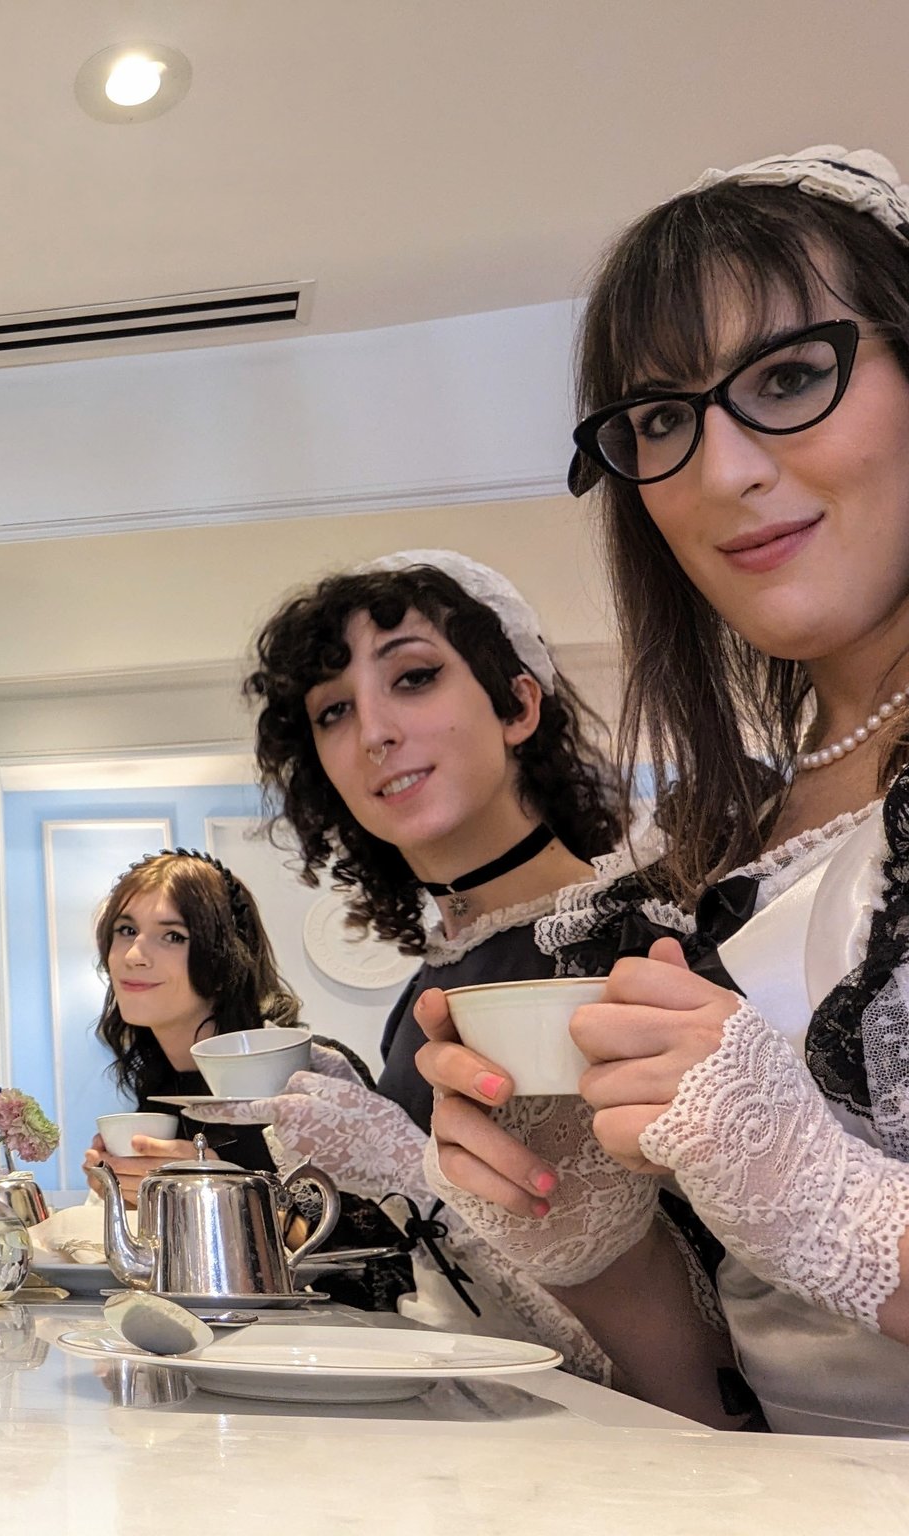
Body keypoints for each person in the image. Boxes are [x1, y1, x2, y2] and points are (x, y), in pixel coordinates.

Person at [419, 145, 909, 1436]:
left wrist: (837, 1207)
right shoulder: (709, 847)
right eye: (659, 421)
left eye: (789, 377)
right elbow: (714, 1399)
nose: (720, 471)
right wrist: (584, 1234)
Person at [222, 553, 668, 1386]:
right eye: (333, 711)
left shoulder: (635, 938)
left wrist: (415, 1172)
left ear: (518, 705)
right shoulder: (431, 980)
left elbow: (693, 1348)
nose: (373, 733)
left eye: (415, 677)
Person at [79, 849, 410, 1311]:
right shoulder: (160, 1089)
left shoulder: (307, 1071)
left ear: (223, 958)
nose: (134, 956)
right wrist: (130, 1196)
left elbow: (391, 1256)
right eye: (126, 930)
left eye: (173, 936)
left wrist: (225, 1195)